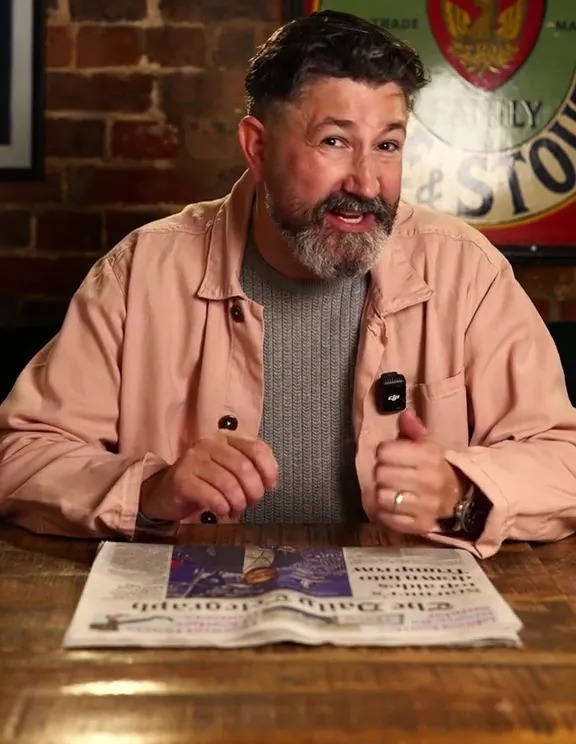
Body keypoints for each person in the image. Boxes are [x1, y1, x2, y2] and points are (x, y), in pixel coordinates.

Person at [0, 11, 575, 557]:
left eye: (387, 145)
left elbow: (564, 460)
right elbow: (20, 457)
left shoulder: (466, 272)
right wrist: (149, 491)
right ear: (258, 146)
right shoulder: (140, 272)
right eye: (334, 141)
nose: (368, 183)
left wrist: (463, 494)